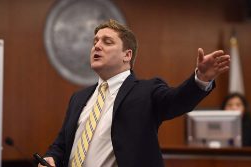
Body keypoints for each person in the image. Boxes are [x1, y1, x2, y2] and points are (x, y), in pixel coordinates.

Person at [39, 19, 230, 167]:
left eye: (107, 42)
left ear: (127, 55)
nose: (97, 46)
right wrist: (50, 158)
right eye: (95, 41)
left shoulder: (146, 90)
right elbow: (61, 144)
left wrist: (201, 79)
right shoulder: (79, 98)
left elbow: (176, 101)